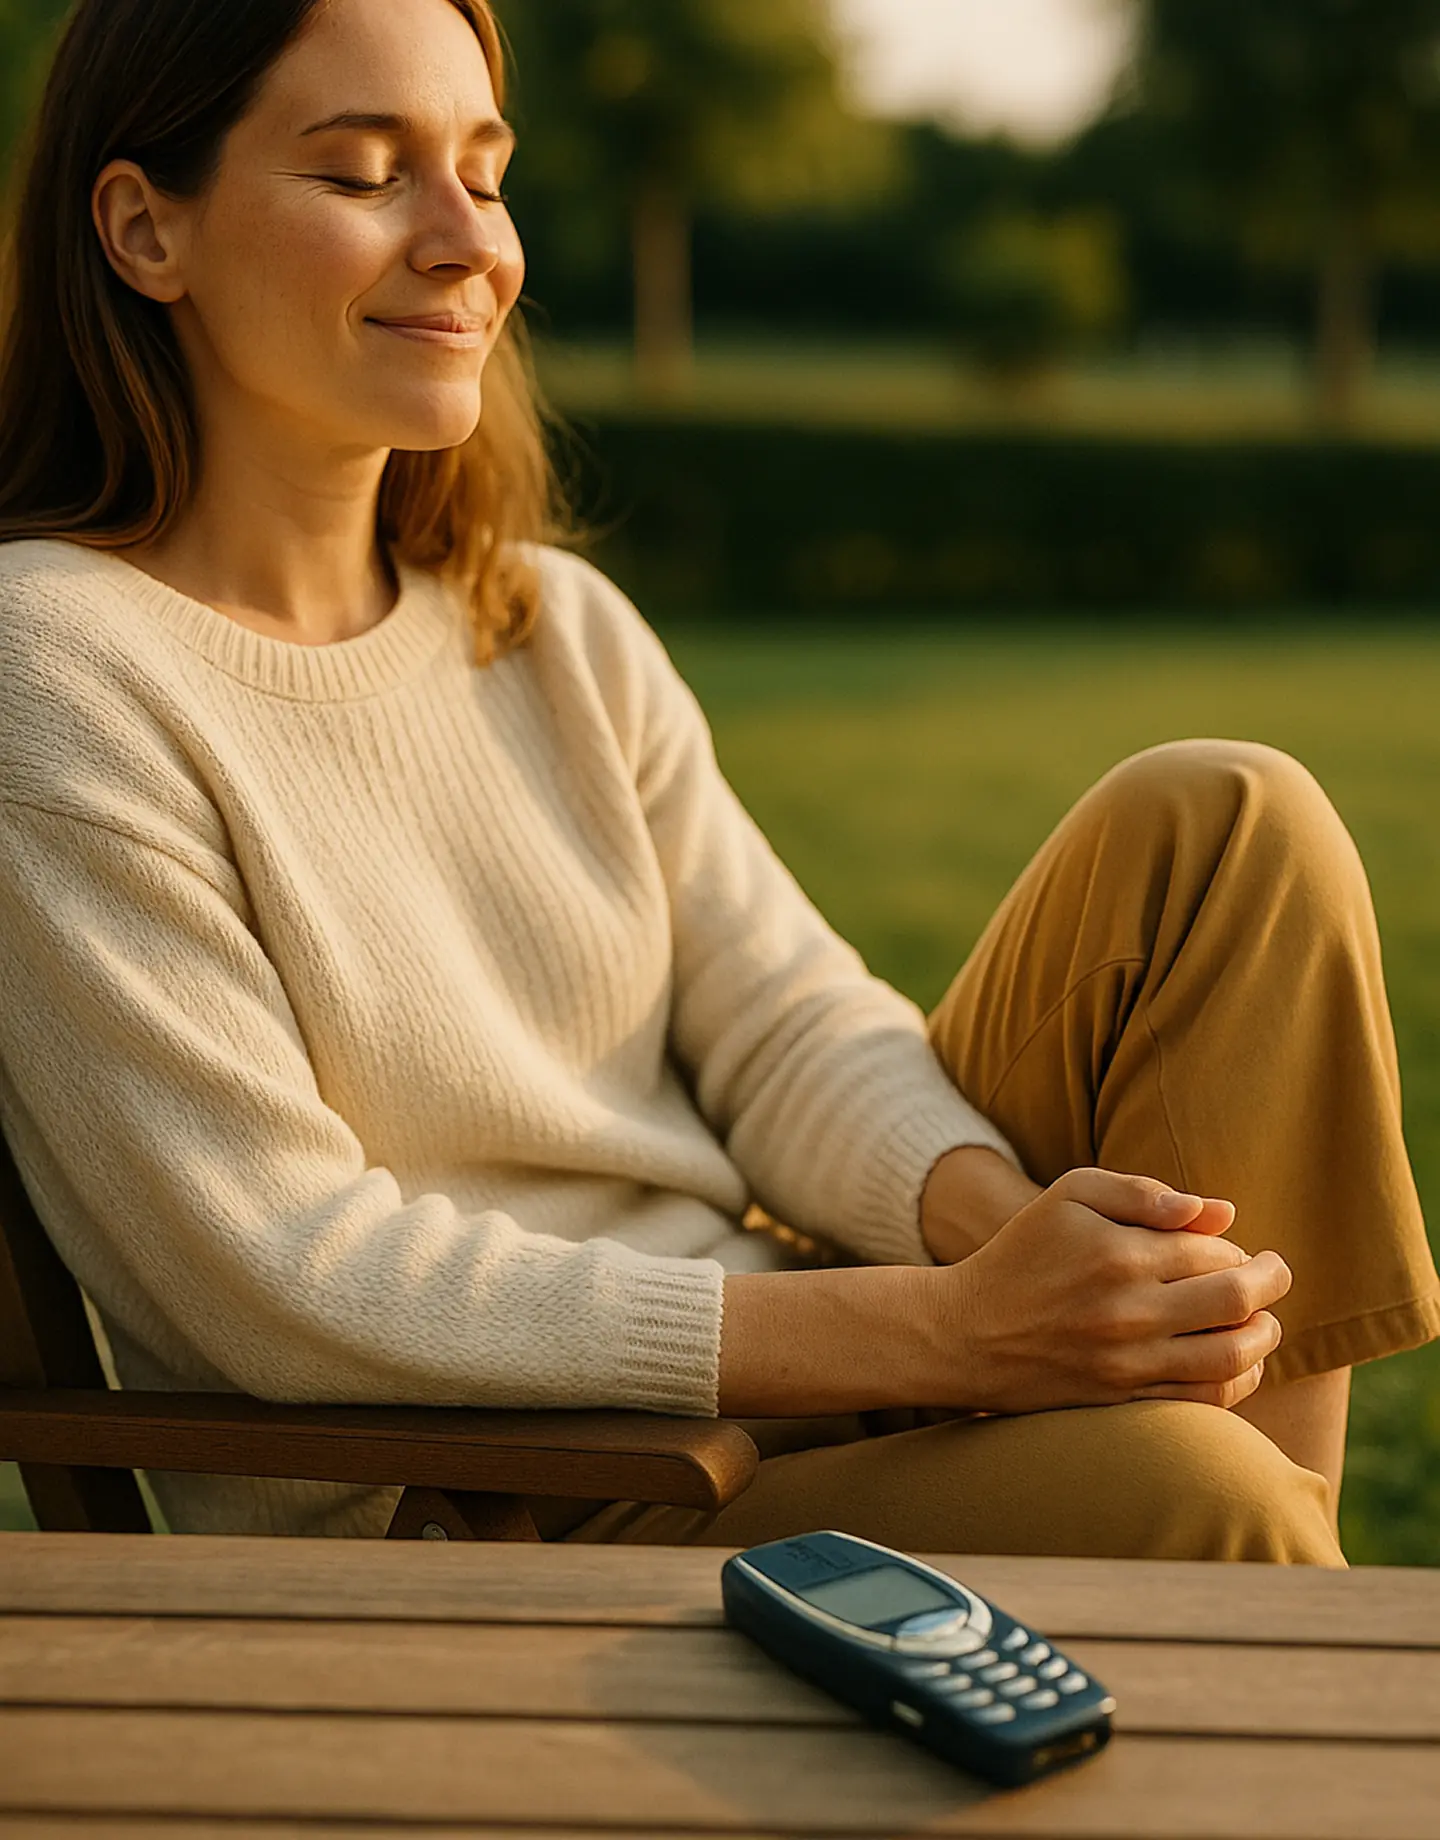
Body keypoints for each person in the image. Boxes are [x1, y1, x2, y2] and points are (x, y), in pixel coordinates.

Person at [0, 0, 1433, 1561]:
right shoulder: (56, 672)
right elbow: (293, 1276)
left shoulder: (549, 625)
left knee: (1229, 826)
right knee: (1201, 1497)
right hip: (503, 1506)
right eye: (361, 176)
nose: (464, 242)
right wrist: (945, 1334)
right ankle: (1294, 1658)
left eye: (484, 174)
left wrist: (997, 1242)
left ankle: (1270, 1640)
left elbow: (783, 1024)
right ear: (147, 229)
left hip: (801, 1371)